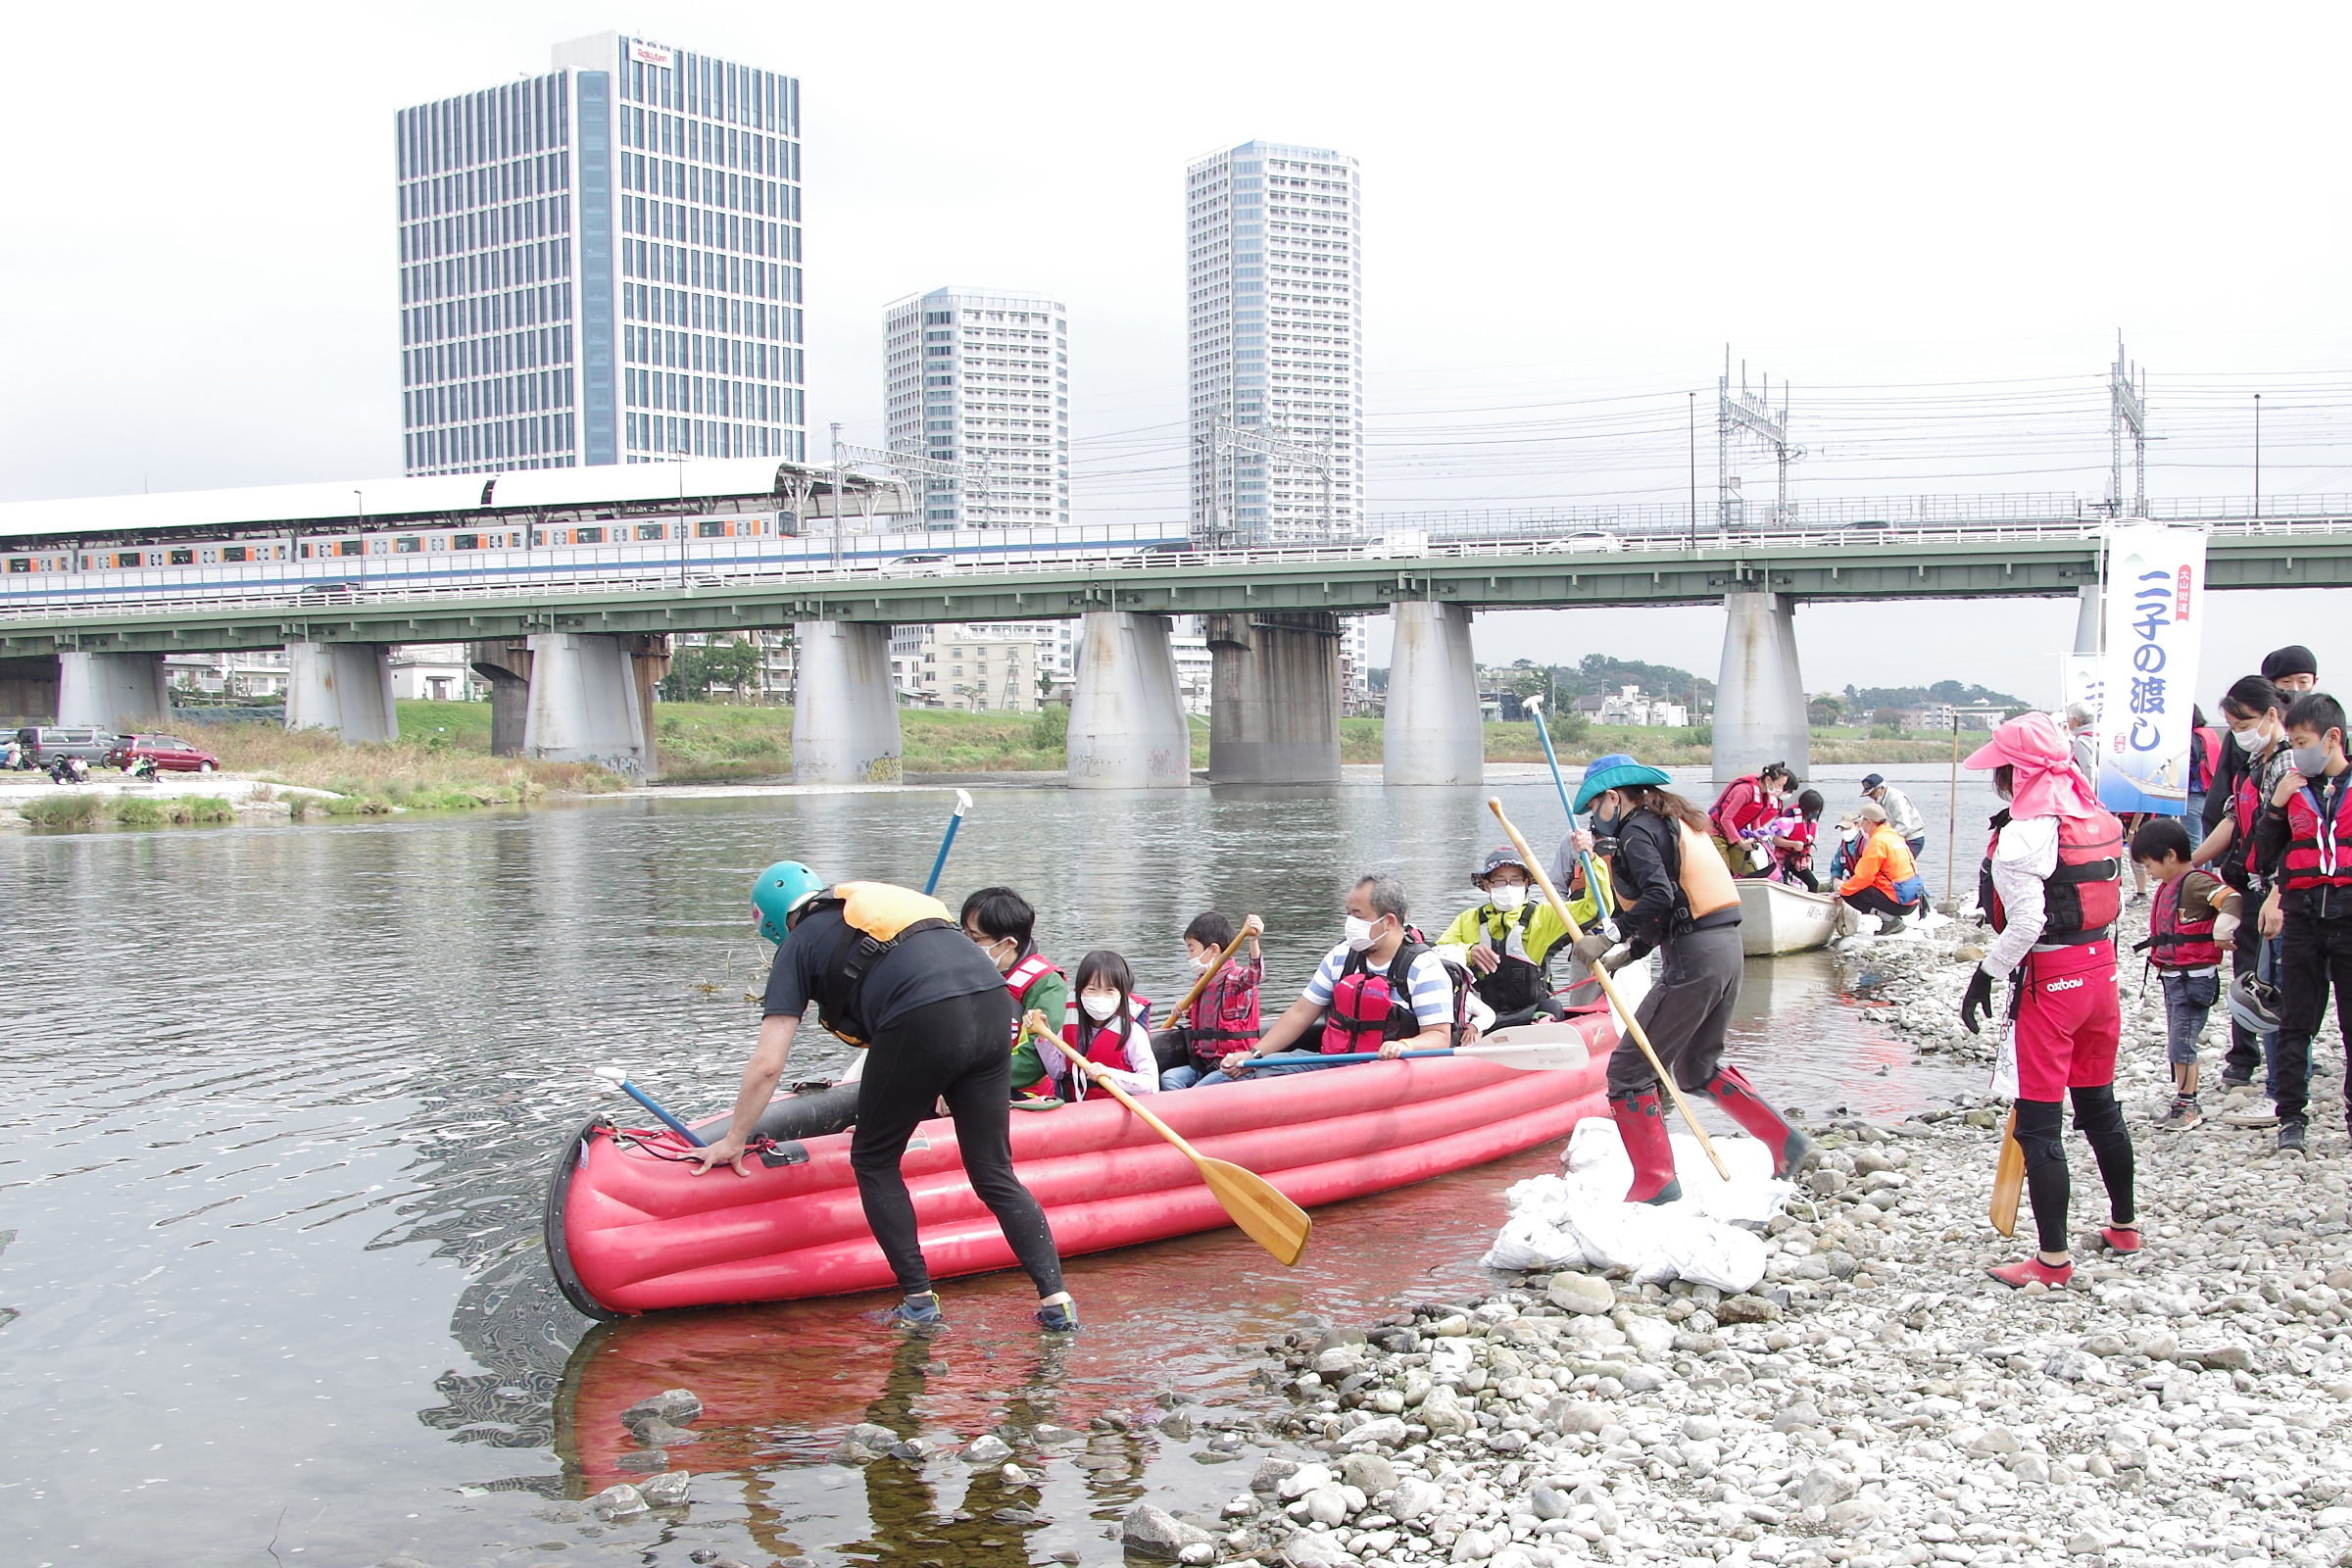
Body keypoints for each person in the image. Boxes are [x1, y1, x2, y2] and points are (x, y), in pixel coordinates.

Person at [691, 863, 1077, 1334]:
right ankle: (1057, 1303)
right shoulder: (877, 900)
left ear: (772, 923)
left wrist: (734, 1138)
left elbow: (769, 1062)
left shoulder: (798, 944)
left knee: (874, 1159)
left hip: (924, 1018)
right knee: (994, 1170)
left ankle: (918, 1301)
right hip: (993, 1003)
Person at [1564, 753, 1811, 1203]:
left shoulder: (1637, 828)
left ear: (1614, 798)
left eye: (1595, 805)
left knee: (1627, 1070)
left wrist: (1608, 935)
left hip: (1695, 959)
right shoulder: (1674, 821)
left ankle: (1655, 1182)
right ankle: (1784, 1143)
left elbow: (1657, 894)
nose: (1594, 817)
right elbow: (1669, 906)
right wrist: (1630, 953)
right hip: (1726, 951)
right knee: (1696, 1067)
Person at [1956, 712, 2134, 1288]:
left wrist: (1985, 973)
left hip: (2051, 982)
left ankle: (2053, 1260)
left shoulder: (2025, 832)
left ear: (2016, 773)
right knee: (2100, 1103)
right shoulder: (2099, 817)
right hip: (2101, 974)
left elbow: (2028, 920)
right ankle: (2123, 1227)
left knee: (2038, 1122)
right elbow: (2120, 900)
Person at [1199, 873, 1454, 1084]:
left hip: (1386, 1073)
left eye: (1358, 915)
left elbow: (1439, 1036)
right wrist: (1254, 1054)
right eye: (1348, 913)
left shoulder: (1423, 967)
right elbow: (1301, 1013)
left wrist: (1406, 1046)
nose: (1350, 922)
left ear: (1388, 922)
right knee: (1256, 1073)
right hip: (1335, 1062)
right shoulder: (1342, 956)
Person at [2252, 691, 2352, 1154]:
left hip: (2348, 919)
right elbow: (2258, 858)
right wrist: (2274, 806)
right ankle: (2290, 1116)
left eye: (2303, 740)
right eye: (2291, 741)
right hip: (2303, 920)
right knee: (2295, 1022)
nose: (2297, 751)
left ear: (2332, 738)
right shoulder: (2291, 788)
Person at [2194, 675, 2297, 1121]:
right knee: (2254, 979)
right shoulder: (2254, 762)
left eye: (2244, 722)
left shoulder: (2286, 763)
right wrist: (2189, 865)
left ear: (2273, 715)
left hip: (2280, 892)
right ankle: (2258, 1070)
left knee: (2272, 988)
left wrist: (2278, 893)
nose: (2238, 731)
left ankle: (2282, 1091)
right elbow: (2233, 821)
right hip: (2253, 886)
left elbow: (2296, 835)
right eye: (2232, 724)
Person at [2131, 816, 2241, 1130]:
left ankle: (2189, 1104)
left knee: (2182, 1042)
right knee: (2178, 1040)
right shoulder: (2171, 886)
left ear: (2170, 856)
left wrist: (2222, 931)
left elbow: (2231, 899)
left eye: (2149, 865)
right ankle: (2183, 1099)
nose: (2148, 872)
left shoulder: (2195, 882)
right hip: (2174, 976)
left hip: (2194, 980)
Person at [1439, 847, 1597, 1030]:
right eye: (1499, 881)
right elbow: (1435, 955)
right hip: (1482, 1018)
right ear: (1487, 885)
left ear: (1526, 883)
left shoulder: (1544, 916)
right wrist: (1468, 952)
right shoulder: (1468, 919)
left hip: (1530, 1015)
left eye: (1516, 880)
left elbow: (1594, 908)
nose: (1508, 887)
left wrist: (1591, 860)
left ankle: (1546, 1032)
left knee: (1552, 1006)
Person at [959, 886, 1069, 1103]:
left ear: (1009, 943)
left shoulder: (1046, 985)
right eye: (964, 935)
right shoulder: (963, 971)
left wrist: (966, 1082)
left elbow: (1034, 1061)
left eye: (976, 939)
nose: (966, 945)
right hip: (964, 1076)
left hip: (1020, 1092)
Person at [1159, 912, 1265, 1089]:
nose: (1188, 956)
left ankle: (1186, 1112)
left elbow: (1257, 975)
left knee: (1197, 1091)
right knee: (1169, 1078)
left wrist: (1253, 940)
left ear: (1213, 950)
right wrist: (1184, 1010)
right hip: (1204, 1064)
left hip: (1234, 1068)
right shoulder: (1203, 981)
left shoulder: (1235, 977)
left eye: (1191, 949)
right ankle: (1180, 1113)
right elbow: (1207, 1016)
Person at [1045, 951, 1159, 1102]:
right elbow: (1057, 1072)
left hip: (1113, 1111)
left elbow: (1151, 1085)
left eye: (1110, 990)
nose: (1100, 997)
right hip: (1076, 1108)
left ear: (1122, 994)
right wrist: (1044, 1036)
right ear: (1080, 992)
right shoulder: (1071, 1028)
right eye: (1092, 989)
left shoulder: (1133, 1033)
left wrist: (1109, 1074)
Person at [1837, 802, 1926, 928]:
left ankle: (1889, 920)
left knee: (1851, 892)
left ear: (1869, 822)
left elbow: (1864, 877)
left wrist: (1841, 891)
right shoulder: (1893, 835)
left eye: (1862, 821)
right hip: (1912, 898)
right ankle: (1892, 918)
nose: (1861, 825)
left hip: (1899, 902)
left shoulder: (1877, 842)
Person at [1707, 760, 1792, 875]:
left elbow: (1755, 817)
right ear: (1768, 780)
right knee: (1722, 873)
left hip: (1734, 835)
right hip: (1717, 833)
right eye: (1780, 785)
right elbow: (1726, 819)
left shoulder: (1764, 796)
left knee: (1749, 870)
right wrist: (1740, 842)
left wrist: (1757, 834)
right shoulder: (1745, 791)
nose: (1781, 790)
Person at [1767, 788, 1826, 890]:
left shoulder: (1812, 823)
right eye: (1813, 810)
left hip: (1799, 860)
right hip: (1784, 859)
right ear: (1804, 807)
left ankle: (1810, 903)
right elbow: (1776, 840)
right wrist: (1793, 844)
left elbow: (1809, 843)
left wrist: (1807, 857)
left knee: (1813, 883)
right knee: (1783, 885)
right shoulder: (1791, 820)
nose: (1815, 813)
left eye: (1817, 810)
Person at [2186, 706, 2222, 838]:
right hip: (2209, 793)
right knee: (2207, 839)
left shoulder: (2190, 738)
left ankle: (2198, 860)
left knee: (2194, 841)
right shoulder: (2209, 734)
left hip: (2193, 793)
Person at [2064, 703, 2100, 788]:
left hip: (2093, 792)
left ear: (2076, 721)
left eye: (2068, 721)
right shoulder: (2101, 736)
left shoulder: (2082, 741)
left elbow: (2089, 773)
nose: (2068, 725)